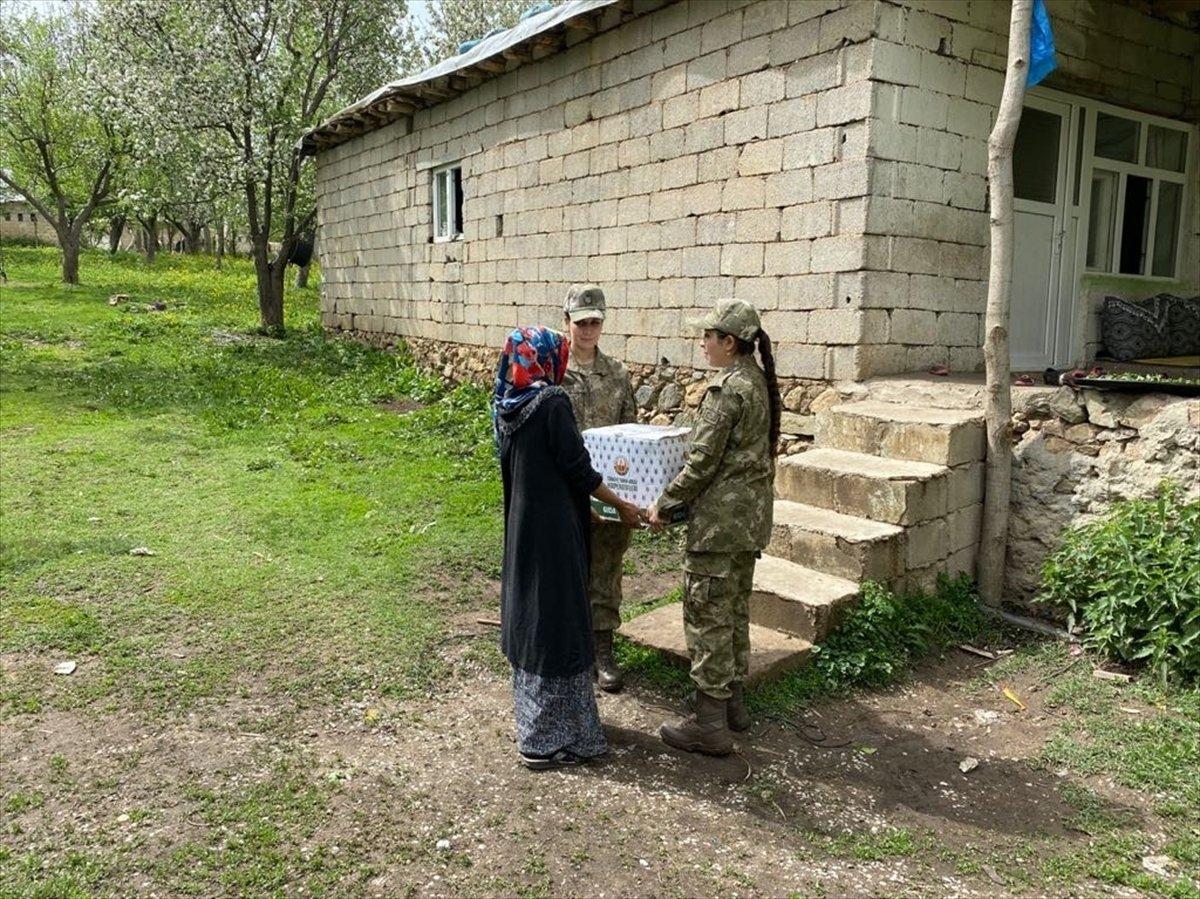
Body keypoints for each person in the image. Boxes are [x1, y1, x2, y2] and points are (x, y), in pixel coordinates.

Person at [493, 326, 642, 770]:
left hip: (525, 529)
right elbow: (579, 468)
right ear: (547, 359)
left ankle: (537, 725)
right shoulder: (552, 402)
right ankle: (549, 741)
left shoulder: (509, 401)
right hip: (555, 534)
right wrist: (622, 505)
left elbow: (538, 467)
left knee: (534, 617)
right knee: (559, 622)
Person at [647, 299, 781, 756]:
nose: (702, 343)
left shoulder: (726, 391)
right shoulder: (757, 381)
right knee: (734, 611)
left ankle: (709, 724)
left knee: (707, 618)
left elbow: (702, 463)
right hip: (747, 524)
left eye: (708, 336)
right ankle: (732, 707)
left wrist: (665, 503)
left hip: (719, 528)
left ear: (729, 342)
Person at [560, 283, 639, 693]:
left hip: (609, 491)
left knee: (606, 568)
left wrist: (626, 496)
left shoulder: (618, 374)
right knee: (566, 567)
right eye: (581, 322)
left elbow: (631, 437)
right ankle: (570, 649)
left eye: (595, 322)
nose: (589, 329)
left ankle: (602, 650)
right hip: (567, 487)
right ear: (567, 322)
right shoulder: (555, 372)